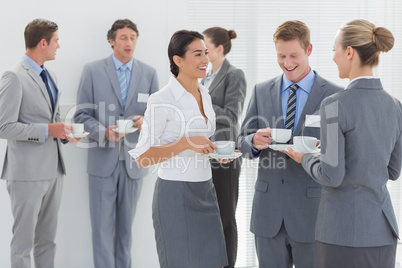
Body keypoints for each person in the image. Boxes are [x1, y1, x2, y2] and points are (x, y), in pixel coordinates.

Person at [285, 19, 401, 268]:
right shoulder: (395, 105)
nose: (334, 57)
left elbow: (332, 176)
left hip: (342, 232)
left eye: (334, 50)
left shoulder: (334, 104)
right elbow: (392, 171)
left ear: (349, 52)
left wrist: (305, 157)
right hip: (382, 231)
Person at [237, 20, 342, 268]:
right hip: (268, 215)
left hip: (313, 214)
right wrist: (253, 141)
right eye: (281, 55)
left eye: (293, 55)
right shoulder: (261, 91)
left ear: (309, 50)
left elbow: (339, 153)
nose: (287, 63)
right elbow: (241, 142)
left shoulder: (334, 95)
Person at [130, 30, 228, 268]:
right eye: (197, 54)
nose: (206, 59)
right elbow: (142, 158)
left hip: (206, 189)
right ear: (178, 60)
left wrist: (216, 153)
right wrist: (186, 142)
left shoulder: (204, 94)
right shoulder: (161, 99)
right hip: (174, 196)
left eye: (206, 53)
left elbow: (201, 142)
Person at [73, 19, 159, 268]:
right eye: (123, 37)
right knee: (101, 230)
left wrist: (146, 121)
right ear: (111, 41)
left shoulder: (149, 73)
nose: (129, 42)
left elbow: (157, 118)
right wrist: (103, 132)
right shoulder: (92, 71)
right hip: (102, 162)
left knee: (126, 232)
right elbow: (81, 115)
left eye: (133, 37)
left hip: (134, 163)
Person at [0, 18, 79, 268]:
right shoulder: (13, 77)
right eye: (56, 41)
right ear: (43, 43)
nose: (59, 45)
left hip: (54, 170)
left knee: (47, 241)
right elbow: (4, 126)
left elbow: (51, 118)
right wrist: (47, 130)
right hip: (26, 173)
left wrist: (63, 132)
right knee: (23, 244)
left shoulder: (50, 74)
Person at [201, 26, 246, 268]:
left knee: (226, 218)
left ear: (219, 49)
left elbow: (232, 115)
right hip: (205, 155)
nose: (202, 53)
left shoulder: (234, 75)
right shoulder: (204, 77)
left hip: (225, 156)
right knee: (209, 217)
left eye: (205, 49)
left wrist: (202, 101)